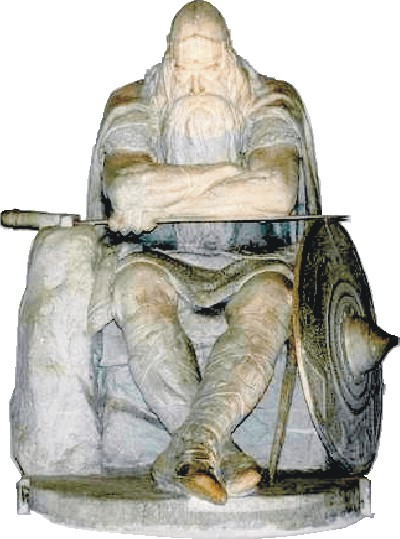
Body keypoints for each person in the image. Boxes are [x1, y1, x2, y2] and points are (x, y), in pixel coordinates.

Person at [11, 1, 320, 504]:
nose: (196, 86)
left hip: (255, 259)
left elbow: (274, 191)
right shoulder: (133, 100)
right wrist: (228, 173)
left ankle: (188, 452)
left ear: (229, 55)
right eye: (184, 68)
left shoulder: (271, 100)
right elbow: (127, 189)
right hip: (156, 258)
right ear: (168, 57)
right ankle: (218, 454)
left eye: (209, 67)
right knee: (136, 291)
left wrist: (165, 192)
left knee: (269, 304)